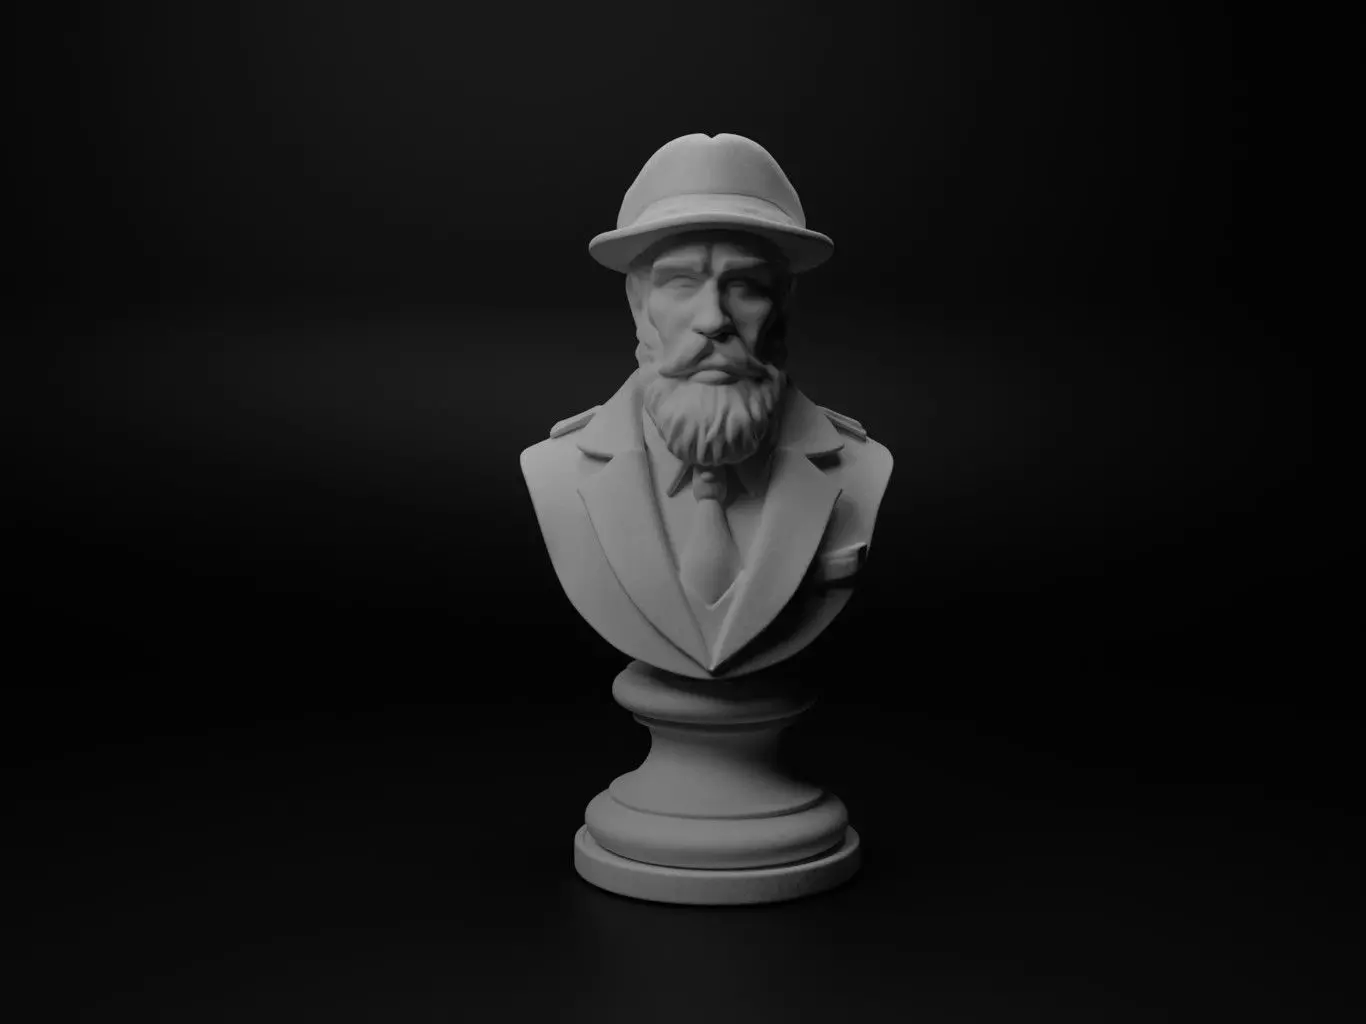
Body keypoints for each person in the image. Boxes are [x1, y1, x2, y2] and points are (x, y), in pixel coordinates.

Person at [521, 134, 893, 679]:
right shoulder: (556, 467)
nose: (714, 319)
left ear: (783, 308)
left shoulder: (862, 464)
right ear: (638, 304)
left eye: (746, 286)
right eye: (681, 281)